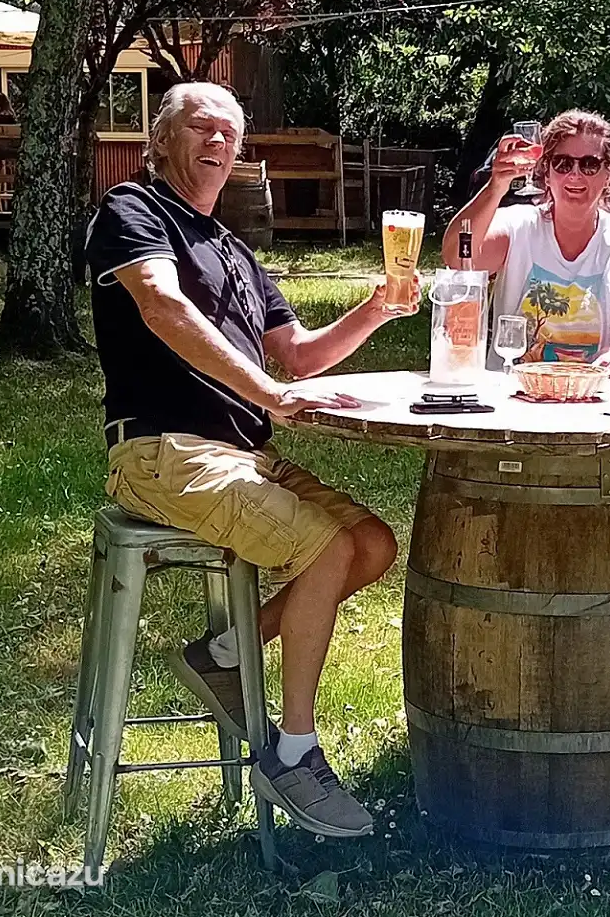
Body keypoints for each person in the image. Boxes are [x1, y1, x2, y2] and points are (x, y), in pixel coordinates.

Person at [85, 82, 420, 839]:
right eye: (201, 127)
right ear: (162, 140)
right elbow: (163, 308)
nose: (218, 142)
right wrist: (268, 392)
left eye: (230, 134)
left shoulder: (233, 249)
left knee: (372, 544)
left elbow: (296, 354)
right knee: (327, 546)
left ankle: (228, 651)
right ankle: (292, 753)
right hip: (162, 449)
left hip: (243, 452)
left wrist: (376, 308)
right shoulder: (133, 210)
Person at [443, 109, 610, 367]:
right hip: (511, 387)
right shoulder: (518, 225)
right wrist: (496, 187)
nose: (575, 174)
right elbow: (457, 257)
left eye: (589, 164)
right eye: (562, 163)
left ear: (608, 175)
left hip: (594, 387)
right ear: (546, 172)